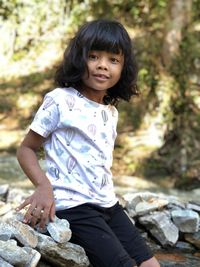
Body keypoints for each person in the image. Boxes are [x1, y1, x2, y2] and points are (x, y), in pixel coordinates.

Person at [16, 19, 160, 267]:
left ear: (123, 67)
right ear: (78, 59)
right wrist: (43, 187)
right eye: (94, 57)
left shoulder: (111, 112)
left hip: (108, 204)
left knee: (150, 264)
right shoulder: (60, 100)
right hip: (75, 207)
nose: (103, 66)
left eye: (113, 60)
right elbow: (26, 149)